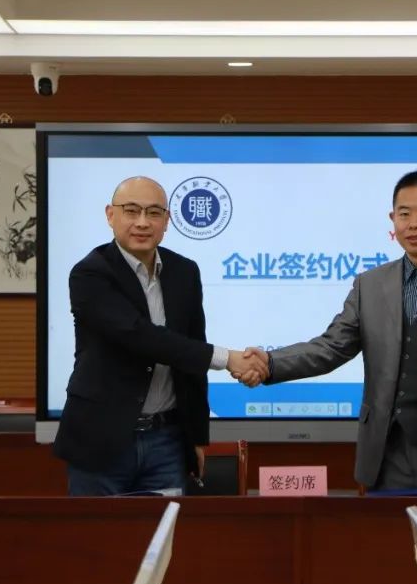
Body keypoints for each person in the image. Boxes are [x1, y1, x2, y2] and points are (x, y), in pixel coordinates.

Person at [241, 170, 417, 494]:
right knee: (384, 528)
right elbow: (331, 347)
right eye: (404, 214)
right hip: (386, 453)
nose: (413, 224)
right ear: (392, 219)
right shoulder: (369, 285)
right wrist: (270, 363)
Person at [54, 176, 267, 496]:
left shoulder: (185, 272)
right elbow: (140, 336)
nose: (142, 222)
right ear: (110, 215)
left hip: (166, 442)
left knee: (167, 527)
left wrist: (197, 438)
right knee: (99, 529)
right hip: (100, 440)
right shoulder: (90, 273)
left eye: (154, 213)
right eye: (131, 211)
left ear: (167, 221)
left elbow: (191, 352)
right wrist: (228, 359)